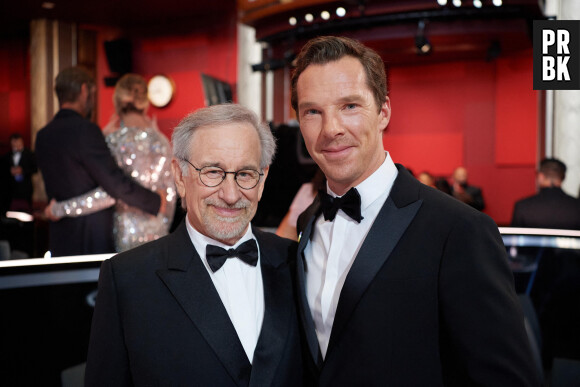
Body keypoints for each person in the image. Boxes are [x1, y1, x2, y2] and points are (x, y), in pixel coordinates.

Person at [291, 36, 540, 386]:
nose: (331, 128)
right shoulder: (309, 221)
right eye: (313, 111)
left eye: (350, 106)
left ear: (383, 113)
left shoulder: (459, 230)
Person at [85, 103, 302, 386]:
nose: (230, 194)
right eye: (213, 172)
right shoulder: (127, 279)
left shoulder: (296, 260)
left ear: (262, 181)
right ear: (179, 176)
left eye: (245, 174)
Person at [35, 66, 164, 257]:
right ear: (84, 90)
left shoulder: (42, 135)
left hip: (60, 237)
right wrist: (154, 201)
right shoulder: (86, 130)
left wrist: (59, 209)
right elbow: (115, 184)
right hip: (90, 238)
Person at [511, 158, 580, 229]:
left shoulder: (523, 207)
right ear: (563, 177)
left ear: (540, 177)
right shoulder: (577, 207)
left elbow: (514, 238)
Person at [2, 133, 37, 213]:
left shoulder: (29, 154)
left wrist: (22, 170)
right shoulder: (7, 156)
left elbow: (35, 169)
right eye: (14, 142)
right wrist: (10, 171)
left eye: (18, 142)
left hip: (25, 189)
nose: (16, 144)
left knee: (27, 212)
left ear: (21, 142)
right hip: (11, 190)